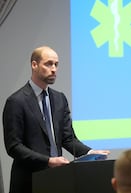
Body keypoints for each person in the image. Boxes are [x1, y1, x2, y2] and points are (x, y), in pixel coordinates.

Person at [2, 46, 110, 193]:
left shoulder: (59, 99)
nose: (54, 69)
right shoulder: (16, 101)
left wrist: (90, 153)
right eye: (48, 64)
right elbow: (14, 147)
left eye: (56, 64)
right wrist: (48, 161)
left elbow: (67, 138)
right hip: (29, 182)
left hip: (57, 179)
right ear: (34, 65)